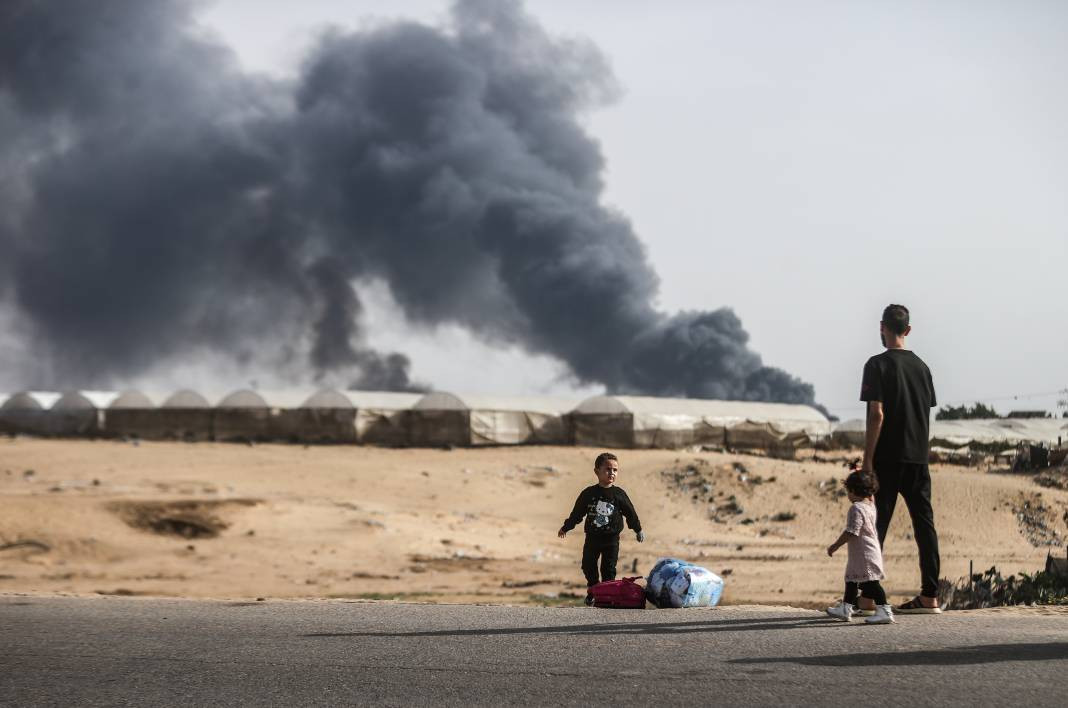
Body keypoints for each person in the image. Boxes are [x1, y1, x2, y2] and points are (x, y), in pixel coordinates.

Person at [860, 303, 942, 614]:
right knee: (925, 526)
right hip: (919, 457)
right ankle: (930, 595)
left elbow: (876, 414)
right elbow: (923, 411)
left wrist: (868, 460)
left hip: (888, 458)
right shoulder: (922, 367)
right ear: (907, 330)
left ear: (882, 327)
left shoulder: (876, 365)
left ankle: (867, 598)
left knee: (875, 526)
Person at [558, 452, 644, 605]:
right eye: (608, 469)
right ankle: (593, 589)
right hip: (592, 538)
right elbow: (577, 513)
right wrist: (566, 527)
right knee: (588, 565)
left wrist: (637, 529)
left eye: (615, 470)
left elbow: (631, 513)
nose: (612, 473)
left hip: (611, 540)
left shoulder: (619, 494)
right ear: (597, 471)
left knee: (608, 569)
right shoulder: (589, 493)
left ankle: (607, 596)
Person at [826, 468, 894, 624]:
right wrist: (862, 475)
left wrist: (835, 545)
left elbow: (852, 531)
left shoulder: (856, 508)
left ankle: (885, 610)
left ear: (854, 491)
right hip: (864, 552)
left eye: (849, 491)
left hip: (865, 553)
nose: (848, 495)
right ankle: (846, 608)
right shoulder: (870, 505)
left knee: (871, 583)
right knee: (851, 579)